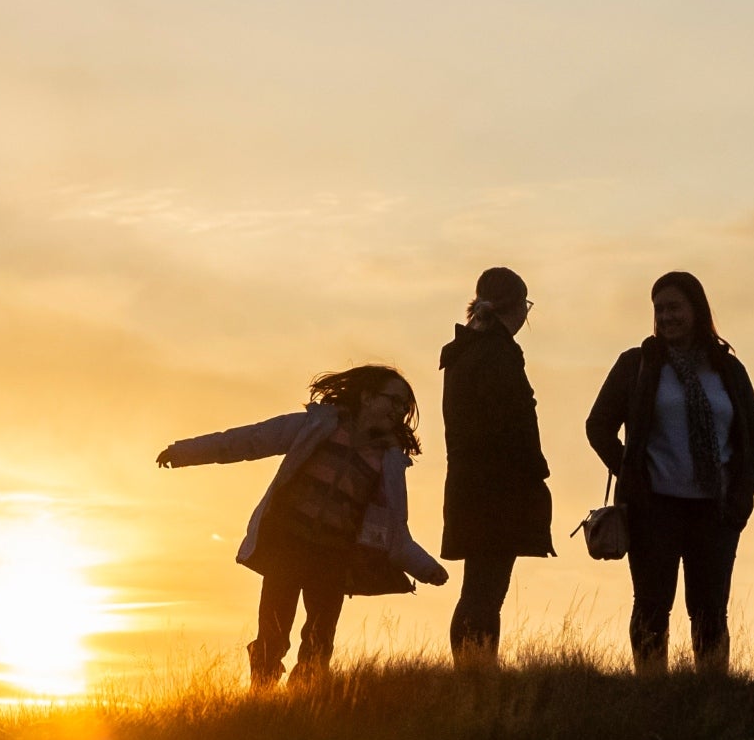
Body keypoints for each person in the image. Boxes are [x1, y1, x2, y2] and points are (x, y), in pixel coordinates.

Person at [157, 366, 450, 686]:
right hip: (287, 546)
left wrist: (426, 568)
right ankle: (262, 700)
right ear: (366, 397)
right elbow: (249, 440)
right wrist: (184, 452)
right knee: (273, 634)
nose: (397, 411)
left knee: (319, 642)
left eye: (403, 408)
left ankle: (306, 706)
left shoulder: (389, 462)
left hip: (334, 558)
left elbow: (396, 531)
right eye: (393, 401)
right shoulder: (316, 425)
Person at [585, 272, 754, 676]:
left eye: (674, 307)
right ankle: (652, 691)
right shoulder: (638, 365)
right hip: (654, 509)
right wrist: (632, 474)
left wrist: (742, 496)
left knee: (710, 612)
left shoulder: (727, 370)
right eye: (659, 309)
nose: (666, 317)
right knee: (652, 606)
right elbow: (598, 426)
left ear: (697, 310)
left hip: (716, 512)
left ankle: (711, 694)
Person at [440, 267, 554, 668]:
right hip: (497, 492)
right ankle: (477, 674)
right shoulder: (498, 354)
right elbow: (510, 425)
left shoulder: (464, 351)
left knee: (479, 588)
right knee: (486, 592)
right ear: (519, 307)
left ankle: (473, 672)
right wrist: (533, 471)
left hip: (470, 487)